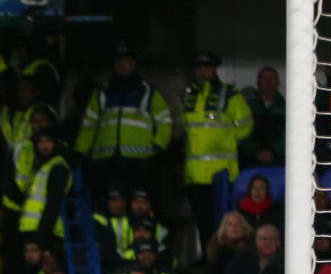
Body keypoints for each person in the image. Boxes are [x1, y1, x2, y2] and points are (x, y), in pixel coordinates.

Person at [75, 42, 172, 196]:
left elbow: (165, 121)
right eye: (118, 61)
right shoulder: (102, 92)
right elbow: (89, 125)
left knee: (137, 205)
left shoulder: (148, 91)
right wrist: (80, 152)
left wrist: (158, 145)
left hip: (139, 162)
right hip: (106, 162)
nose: (122, 65)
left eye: (126, 61)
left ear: (134, 64)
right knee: (108, 205)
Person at [182, 52, 254, 241]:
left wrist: (227, 140)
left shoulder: (228, 93)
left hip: (220, 174)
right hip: (194, 175)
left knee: (223, 224)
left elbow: (246, 125)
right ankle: (208, 261)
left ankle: (221, 264)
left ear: (214, 69)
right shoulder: (189, 95)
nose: (202, 72)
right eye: (199, 68)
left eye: (206, 68)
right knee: (201, 223)